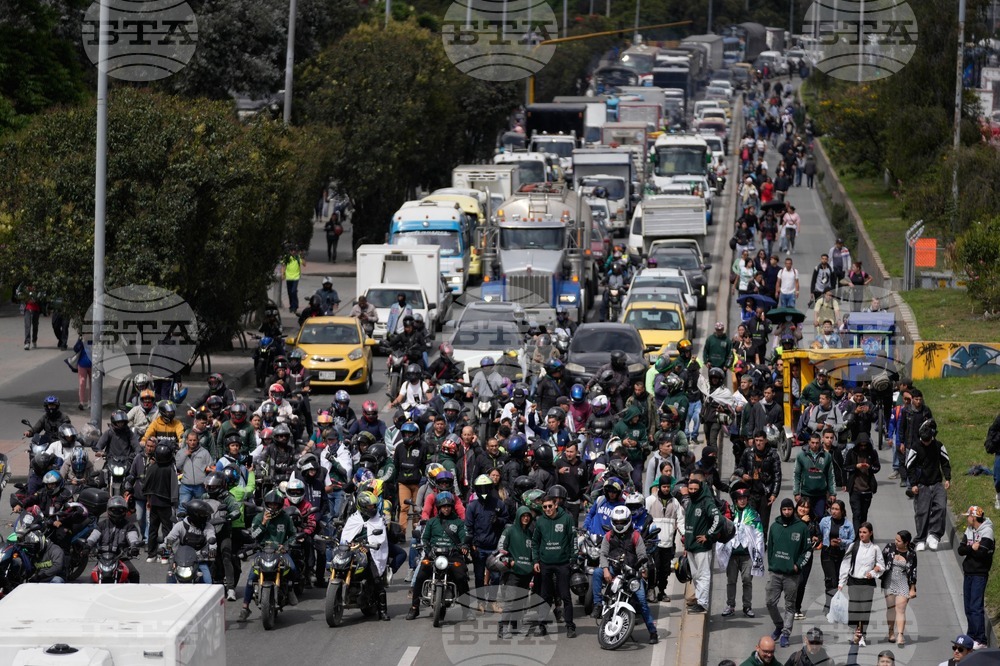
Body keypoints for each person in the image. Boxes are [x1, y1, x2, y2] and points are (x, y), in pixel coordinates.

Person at [598, 505, 658, 644]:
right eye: (616, 522)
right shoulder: (608, 536)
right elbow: (603, 554)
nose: (619, 525)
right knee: (596, 574)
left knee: (642, 601)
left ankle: (653, 632)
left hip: (632, 573)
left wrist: (643, 570)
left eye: (622, 522)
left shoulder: (635, 535)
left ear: (628, 521)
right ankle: (597, 605)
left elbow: (643, 555)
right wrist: (605, 569)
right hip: (614, 570)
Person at [407, 492, 470, 620]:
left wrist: (464, 545)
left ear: (452, 507)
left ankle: (466, 610)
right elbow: (424, 539)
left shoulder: (458, 522)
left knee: (461, 576)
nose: (446, 508)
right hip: (433, 555)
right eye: (443, 506)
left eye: (448, 506)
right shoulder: (432, 522)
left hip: (452, 555)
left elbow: (464, 536)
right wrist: (428, 550)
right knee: (419, 577)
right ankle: (414, 608)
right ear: (439, 507)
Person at [238, 490, 299, 621]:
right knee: (251, 577)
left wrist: (286, 545)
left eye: (276, 505)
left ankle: (289, 589)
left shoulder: (285, 517)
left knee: (293, 569)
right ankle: (245, 607)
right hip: (262, 552)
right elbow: (254, 536)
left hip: (280, 552)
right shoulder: (259, 517)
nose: (273, 507)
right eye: (270, 504)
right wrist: (263, 523)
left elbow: (293, 535)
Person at [765, 498, 812, 648]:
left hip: (792, 575)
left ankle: (786, 633)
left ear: (793, 510)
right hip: (775, 573)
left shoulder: (801, 528)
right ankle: (779, 625)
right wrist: (772, 564)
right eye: (784, 509)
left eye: (789, 509)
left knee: (790, 605)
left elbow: (807, 550)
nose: (787, 512)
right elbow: (770, 548)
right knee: (770, 602)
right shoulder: (774, 526)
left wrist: (798, 565)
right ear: (781, 510)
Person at [532, 491, 577, 637]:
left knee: (565, 596)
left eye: (550, 506)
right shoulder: (540, 521)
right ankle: (542, 626)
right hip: (545, 564)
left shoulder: (567, 518)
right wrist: (536, 560)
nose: (547, 510)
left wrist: (573, 558)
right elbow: (535, 543)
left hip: (562, 563)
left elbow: (573, 539)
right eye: (544, 507)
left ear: (556, 505)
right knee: (545, 596)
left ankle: (570, 626)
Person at [341, 491, 390, 620]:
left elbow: (380, 539)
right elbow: (345, 536)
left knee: (376, 579)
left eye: (374, 506)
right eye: (369, 506)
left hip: (370, 552)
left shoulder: (378, 520)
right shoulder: (353, 519)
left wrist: (368, 546)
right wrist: (348, 543)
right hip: (352, 551)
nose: (372, 508)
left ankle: (383, 611)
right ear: (362, 506)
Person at [905, 418, 950, 551]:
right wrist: (913, 484)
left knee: (941, 507)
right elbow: (909, 466)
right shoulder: (915, 447)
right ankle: (921, 539)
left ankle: (934, 535)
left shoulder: (938, 445)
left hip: (936, 482)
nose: (926, 443)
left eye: (928, 440)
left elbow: (945, 462)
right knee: (921, 512)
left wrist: (947, 478)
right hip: (921, 484)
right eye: (924, 441)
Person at [838, 521, 885, 646]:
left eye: (864, 532)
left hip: (867, 583)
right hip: (854, 581)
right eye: (860, 532)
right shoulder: (853, 546)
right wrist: (841, 582)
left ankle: (862, 635)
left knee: (865, 609)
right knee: (854, 608)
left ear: (870, 533)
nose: (862, 535)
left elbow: (881, 565)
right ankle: (854, 632)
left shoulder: (875, 549)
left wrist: (873, 572)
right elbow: (846, 564)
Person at [723, 486, 764, 618]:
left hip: (747, 554)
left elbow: (759, 534)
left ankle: (747, 606)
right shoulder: (729, 513)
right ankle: (730, 605)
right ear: (735, 500)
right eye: (739, 498)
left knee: (747, 580)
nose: (742, 501)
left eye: (744, 498)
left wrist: (758, 552)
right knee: (731, 580)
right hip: (732, 554)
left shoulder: (753, 514)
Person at [684, 469, 721, 614]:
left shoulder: (706, 502)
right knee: (695, 576)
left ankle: (703, 603)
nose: (692, 491)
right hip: (691, 546)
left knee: (704, 575)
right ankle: (699, 600)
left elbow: (717, 519)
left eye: (695, 489)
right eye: (690, 489)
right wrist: (686, 543)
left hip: (702, 547)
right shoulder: (690, 503)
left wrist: (708, 535)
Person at [957, 505, 994, 649]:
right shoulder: (969, 530)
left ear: (974, 517)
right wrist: (972, 548)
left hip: (979, 573)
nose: (967, 518)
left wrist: (970, 550)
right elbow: (961, 550)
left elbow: (983, 554)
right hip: (969, 572)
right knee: (968, 606)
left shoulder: (987, 531)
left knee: (975, 606)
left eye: (968, 516)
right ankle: (971, 635)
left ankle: (981, 639)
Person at [496, 506, 536, 639]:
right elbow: (501, 547)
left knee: (521, 601)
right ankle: (502, 628)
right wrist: (509, 560)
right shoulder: (509, 530)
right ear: (518, 516)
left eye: (528, 516)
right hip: (512, 572)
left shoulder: (530, 534)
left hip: (527, 573)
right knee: (511, 601)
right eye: (523, 515)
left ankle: (515, 626)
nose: (526, 518)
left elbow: (534, 552)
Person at [646, 474, 684, 602]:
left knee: (665, 570)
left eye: (668, 487)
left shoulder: (675, 502)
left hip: (668, 543)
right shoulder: (651, 500)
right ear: (659, 487)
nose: (666, 489)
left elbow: (681, 520)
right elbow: (644, 518)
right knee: (653, 568)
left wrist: (685, 536)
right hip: (654, 543)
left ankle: (662, 591)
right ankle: (651, 590)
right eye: (664, 486)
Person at [163, 499, 216, 584]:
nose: (205, 517)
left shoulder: (208, 526)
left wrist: (212, 549)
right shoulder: (180, 525)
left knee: (208, 582)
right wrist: (163, 547)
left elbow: (211, 537)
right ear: (195, 515)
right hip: (180, 559)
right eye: (203, 515)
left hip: (200, 559)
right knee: (170, 577)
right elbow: (170, 538)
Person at [881, 529, 917, 648]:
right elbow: (880, 561)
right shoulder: (889, 547)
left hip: (903, 582)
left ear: (906, 542)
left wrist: (912, 588)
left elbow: (913, 571)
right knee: (891, 608)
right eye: (895, 539)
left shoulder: (911, 553)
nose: (895, 542)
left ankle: (900, 634)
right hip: (889, 581)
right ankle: (891, 631)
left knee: (900, 610)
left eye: (898, 540)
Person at [143, 443, 179, 562]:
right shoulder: (171, 468)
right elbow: (174, 486)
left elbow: (146, 485)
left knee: (152, 529)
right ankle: (165, 555)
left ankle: (151, 555)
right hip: (166, 504)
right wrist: (175, 502)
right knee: (167, 531)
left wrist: (148, 500)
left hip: (153, 502)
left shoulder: (152, 467)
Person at [818, 499, 854, 611]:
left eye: (836, 509)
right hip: (827, 553)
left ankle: (833, 603)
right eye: (832, 509)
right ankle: (829, 604)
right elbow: (819, 532)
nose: (833, 511)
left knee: (838, 580)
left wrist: (841, 542)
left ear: (842, 511)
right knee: (830, 580)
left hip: (841, 554)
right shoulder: (825, 521)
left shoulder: (848, 525)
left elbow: (852, 539)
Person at [793, 432, 836, 521]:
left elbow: (830, 476)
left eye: (817, 443)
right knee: (805, 517)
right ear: (809, 442)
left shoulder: (826, 456)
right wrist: (796, 492)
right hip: (806, 493)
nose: (815, 445)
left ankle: (818, 535)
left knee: (820, 517)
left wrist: (832, 493)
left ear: (820, 442)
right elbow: (796, 475)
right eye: (812, 442)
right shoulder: (801, 456)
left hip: (821, 494)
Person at [845, 432, 880, 531]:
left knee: (864, 514)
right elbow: (846, 467)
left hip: (867, 490)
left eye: (865, 445)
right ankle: (857, 535)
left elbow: (877, 467)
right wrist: (856, 466)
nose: (863, 447)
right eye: (861, 445)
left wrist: (869, 467)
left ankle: (863, 534)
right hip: (855, 490)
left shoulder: (872, 453)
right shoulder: (852, 453)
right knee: (857, 514)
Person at [175, 430, 214, 514]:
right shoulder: (181, 452)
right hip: (186, 486)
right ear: (186, 441)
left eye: (194, 440)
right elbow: (177, 466)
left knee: (201, 508)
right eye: (190, 440)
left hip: (200, 486)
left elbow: (211, 467)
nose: (192, 442)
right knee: (182, 508)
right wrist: (185, 454)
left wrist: (208, 480)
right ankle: (180, 526)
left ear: (198, 441)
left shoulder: (204, 452)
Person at [281, 247, 305, 314]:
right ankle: (291, 306)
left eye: (294, 250)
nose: (293, 252)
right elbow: (283, 266)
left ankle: (295, 306)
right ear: (290, 251)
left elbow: (304, 264)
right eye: (292, 250)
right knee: (290, 293)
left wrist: (302, 257)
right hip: (288, 277)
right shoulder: (287, 257)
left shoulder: (297, 257)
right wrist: (283, 274)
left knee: (293, 291)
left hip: (296, 277)